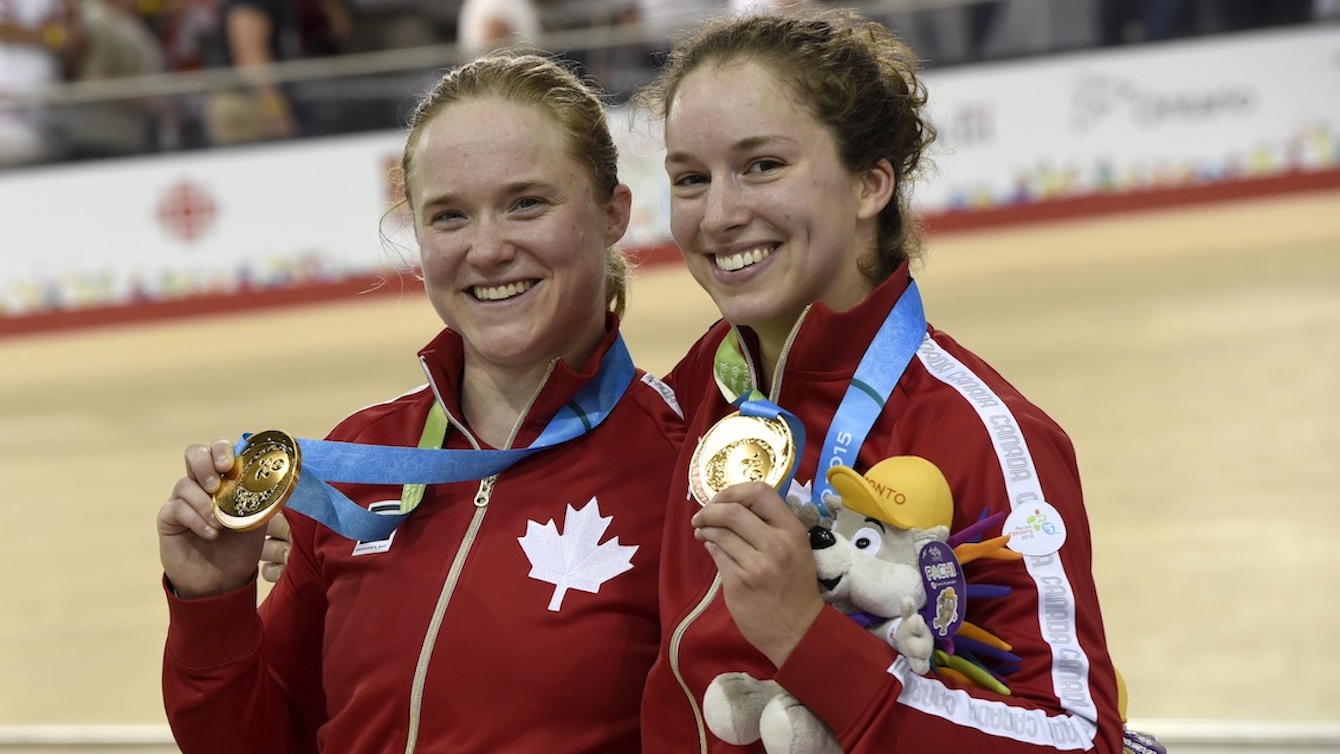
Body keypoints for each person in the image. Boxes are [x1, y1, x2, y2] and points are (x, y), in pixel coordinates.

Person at [157, 51, 684, 753]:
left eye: (526, 203)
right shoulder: (358, 458)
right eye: (449, 216)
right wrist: (212, 606)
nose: (488, 249)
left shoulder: (682, 466)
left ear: (614, 212)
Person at [633, 9, 1126, 751]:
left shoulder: (983, 434)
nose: (720, 214)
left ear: (870, 184)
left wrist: (807, 640)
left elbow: (1081, 739)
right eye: (691, 179)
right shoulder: (687, 400)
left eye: (762, 165)